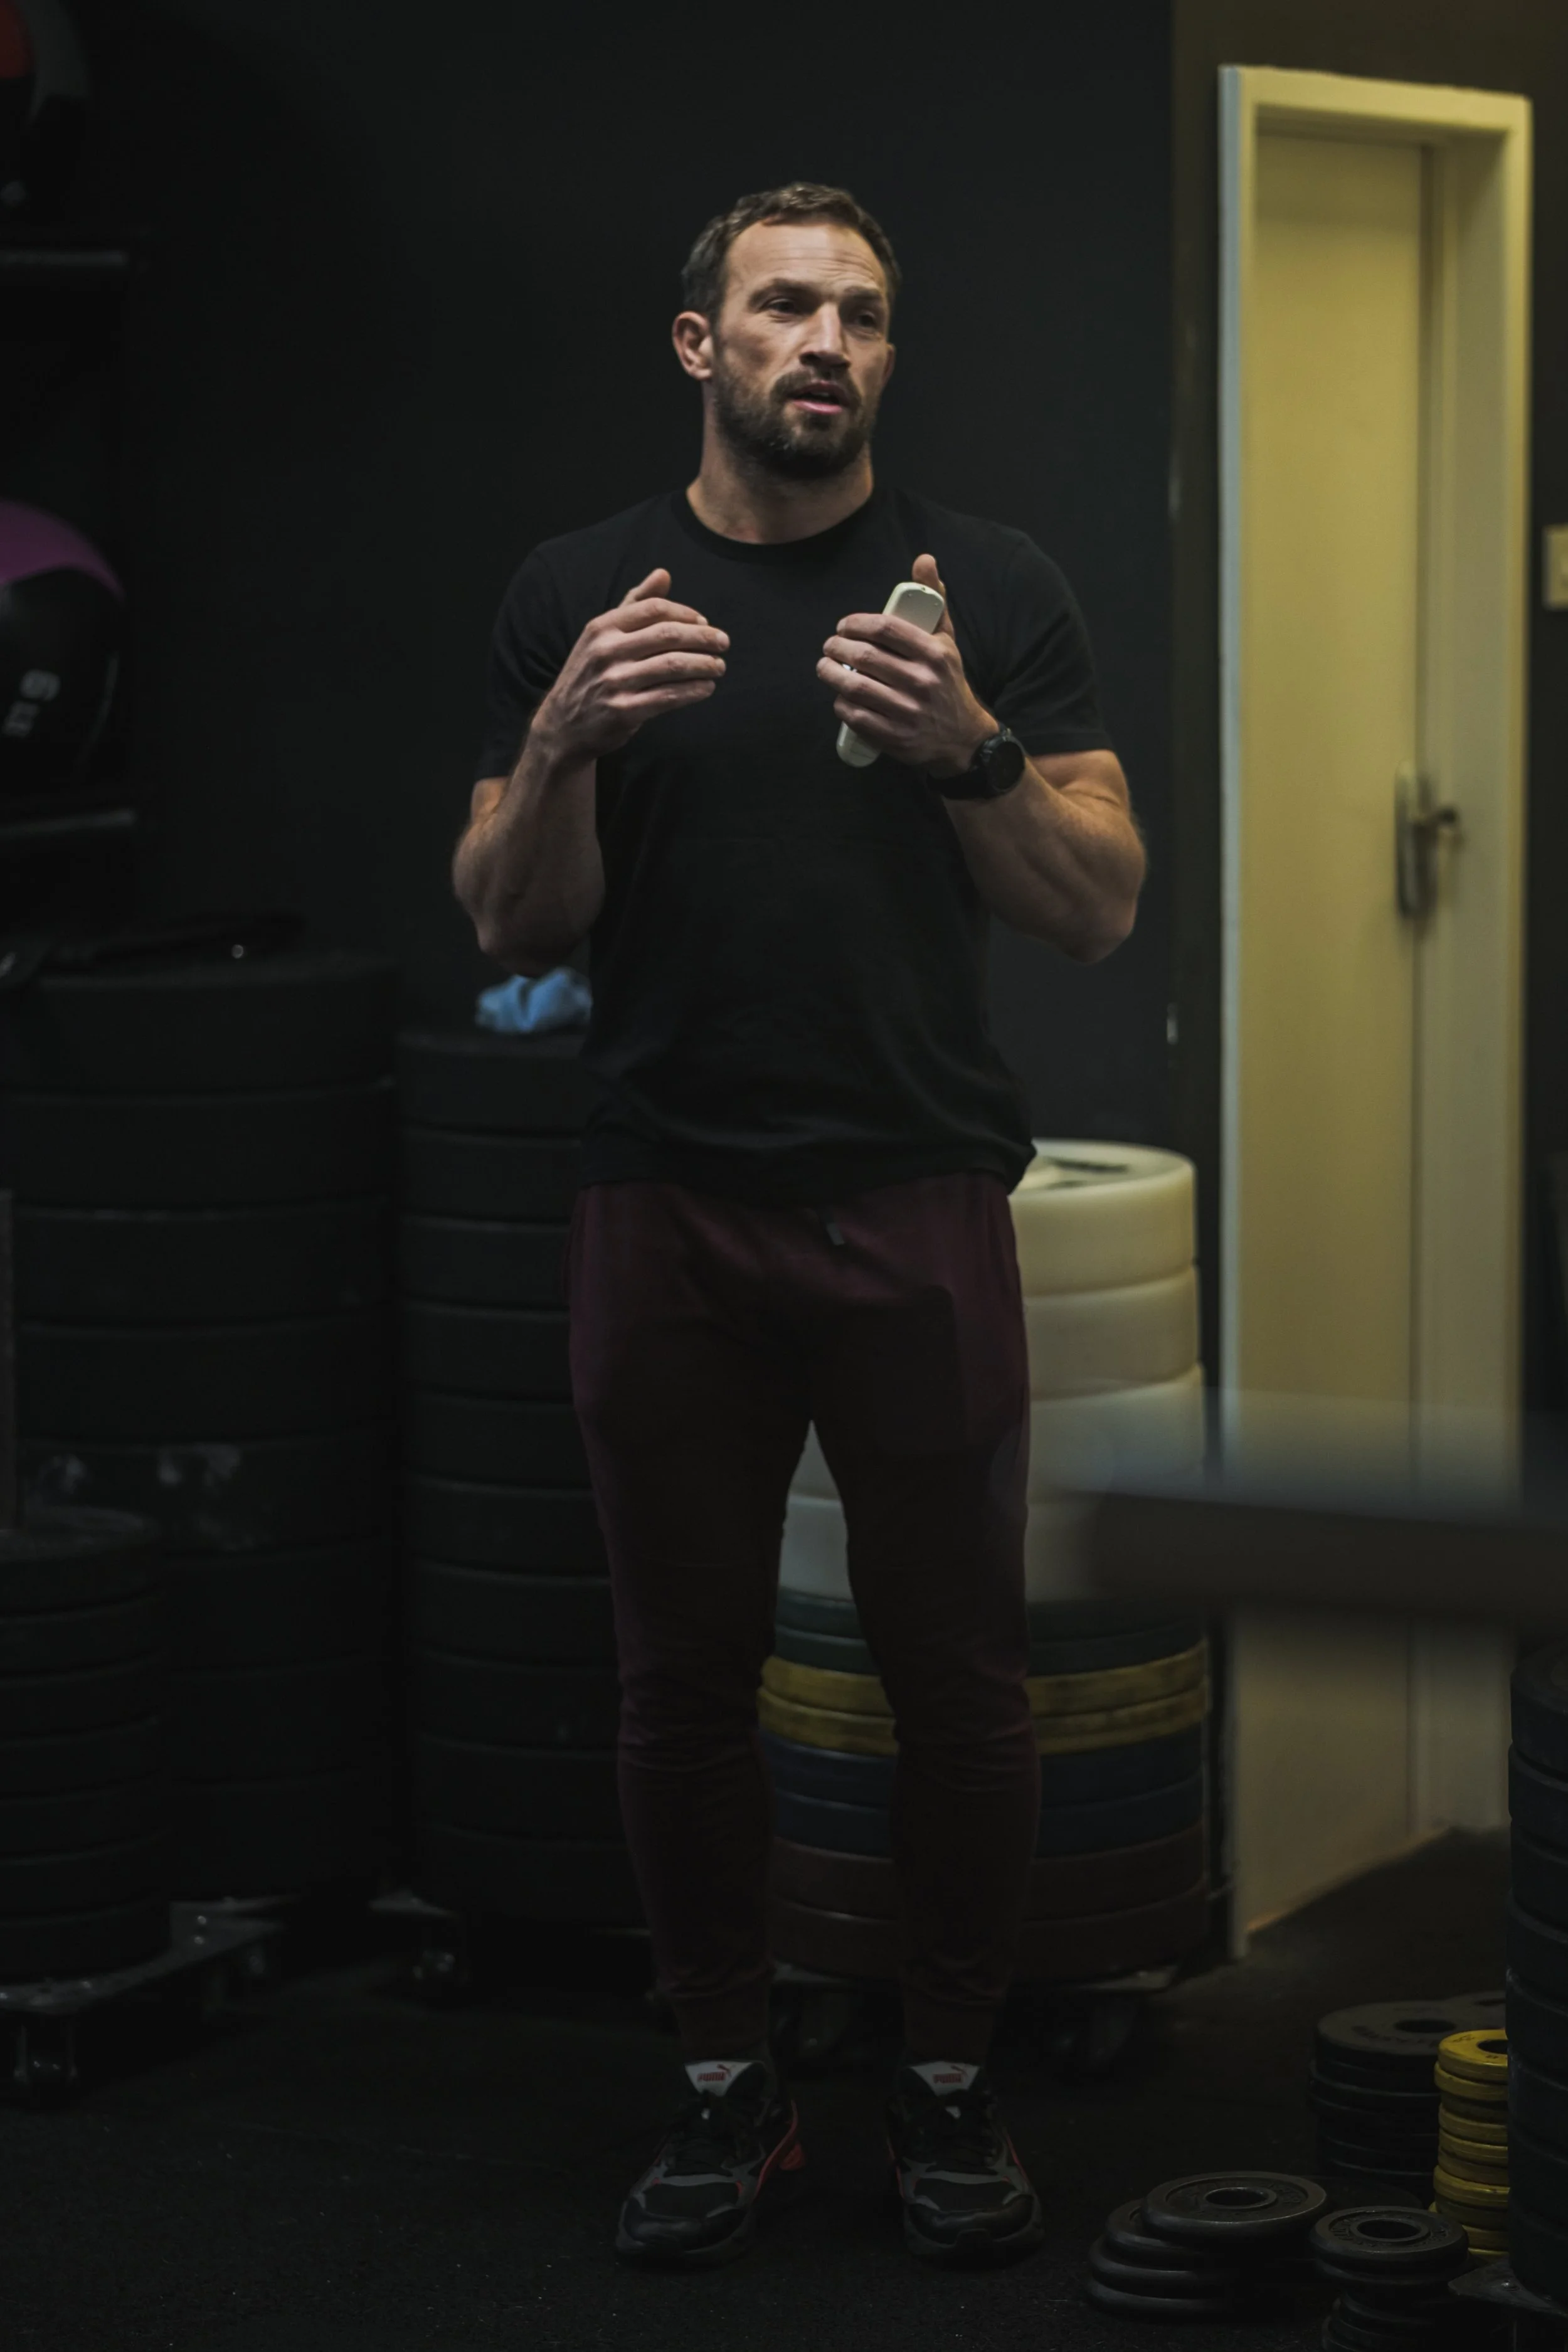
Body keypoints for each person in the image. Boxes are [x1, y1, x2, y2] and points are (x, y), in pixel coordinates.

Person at [454, 181, 1145, 2270]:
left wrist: (971, 752)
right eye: (781, 304)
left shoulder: (982, 590)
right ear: (701, 345)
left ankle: (942, 2086)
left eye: (857, 310)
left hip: (914, 1200)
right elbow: (507, 913)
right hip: (663, 1201)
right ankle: (725, 2086)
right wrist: (564, 731)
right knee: (681, 1681)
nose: (822, 338)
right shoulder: (578, 593)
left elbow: (1096, 904)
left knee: (962, 1681)